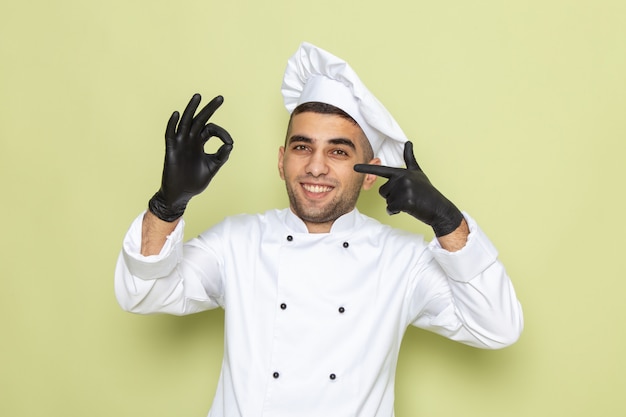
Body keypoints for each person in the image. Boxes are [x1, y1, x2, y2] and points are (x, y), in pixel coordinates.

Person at [115, 42, 523, 417]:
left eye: (339, 152)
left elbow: (497, 327)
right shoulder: (236, 242)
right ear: (281, 160)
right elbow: (143, 294)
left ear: (369, 175)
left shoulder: (402, 260)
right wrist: (168, 205)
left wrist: (446, 220)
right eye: (302, 146)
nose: (315, 166)